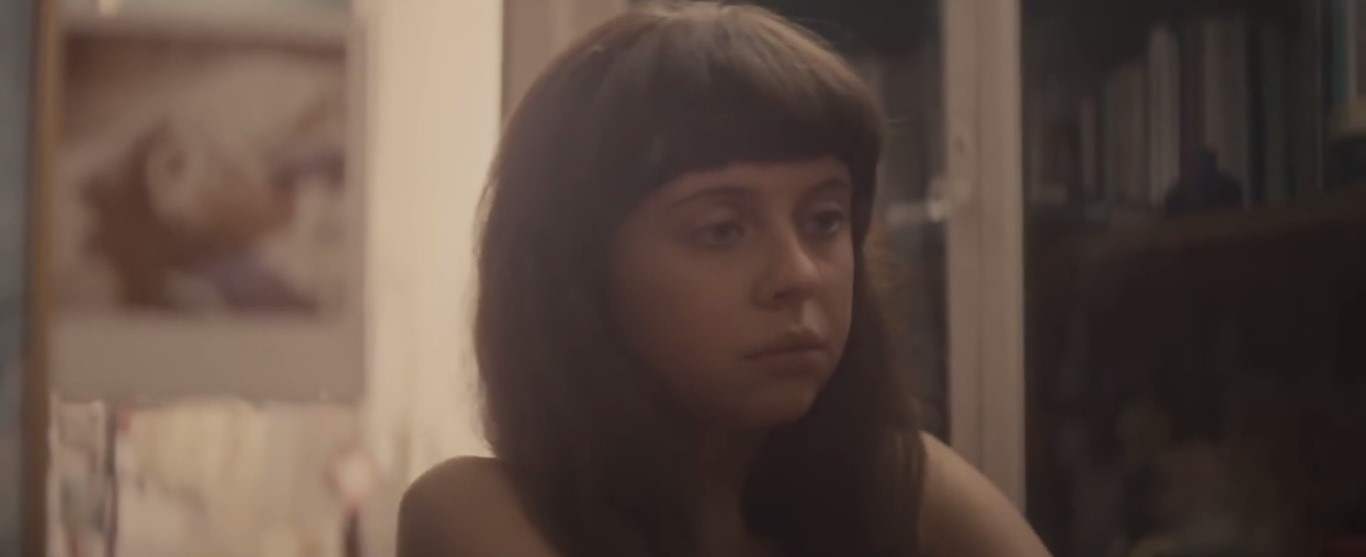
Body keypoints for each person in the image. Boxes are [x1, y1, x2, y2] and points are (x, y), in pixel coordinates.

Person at [397, 2, 1051, 556]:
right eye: (721, 230)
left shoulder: (902, 483)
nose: (797, 274)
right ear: (579, 273)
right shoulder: (475, 510)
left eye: (824, 219)